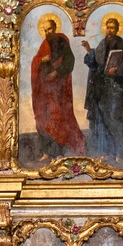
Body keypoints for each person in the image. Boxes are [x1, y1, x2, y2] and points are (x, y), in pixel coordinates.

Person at [82, 15, 123, 163]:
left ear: (117, 29)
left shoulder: (122, 44)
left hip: (116, 90)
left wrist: (116, 70)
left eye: (112, 28)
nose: (109, 30)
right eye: (108, 27)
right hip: (102, 89)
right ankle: (107, 152)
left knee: (115, 119)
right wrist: (88, 51)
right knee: (102, 121)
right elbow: (97, 63)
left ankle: (120, 152)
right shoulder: (102, 43)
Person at [30, 16, 84, 155]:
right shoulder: (44, 44)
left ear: (55, 29)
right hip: (44, 90)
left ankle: (59, 152)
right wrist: (42, 59)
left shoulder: (61, 42)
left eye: (49, 29)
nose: (47, 32)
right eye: (45, 30)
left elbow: (69, 61)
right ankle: (47, 152)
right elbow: (36, 60)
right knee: (42, 118)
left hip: (58, 89)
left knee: (57, 118)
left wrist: (57, 72)